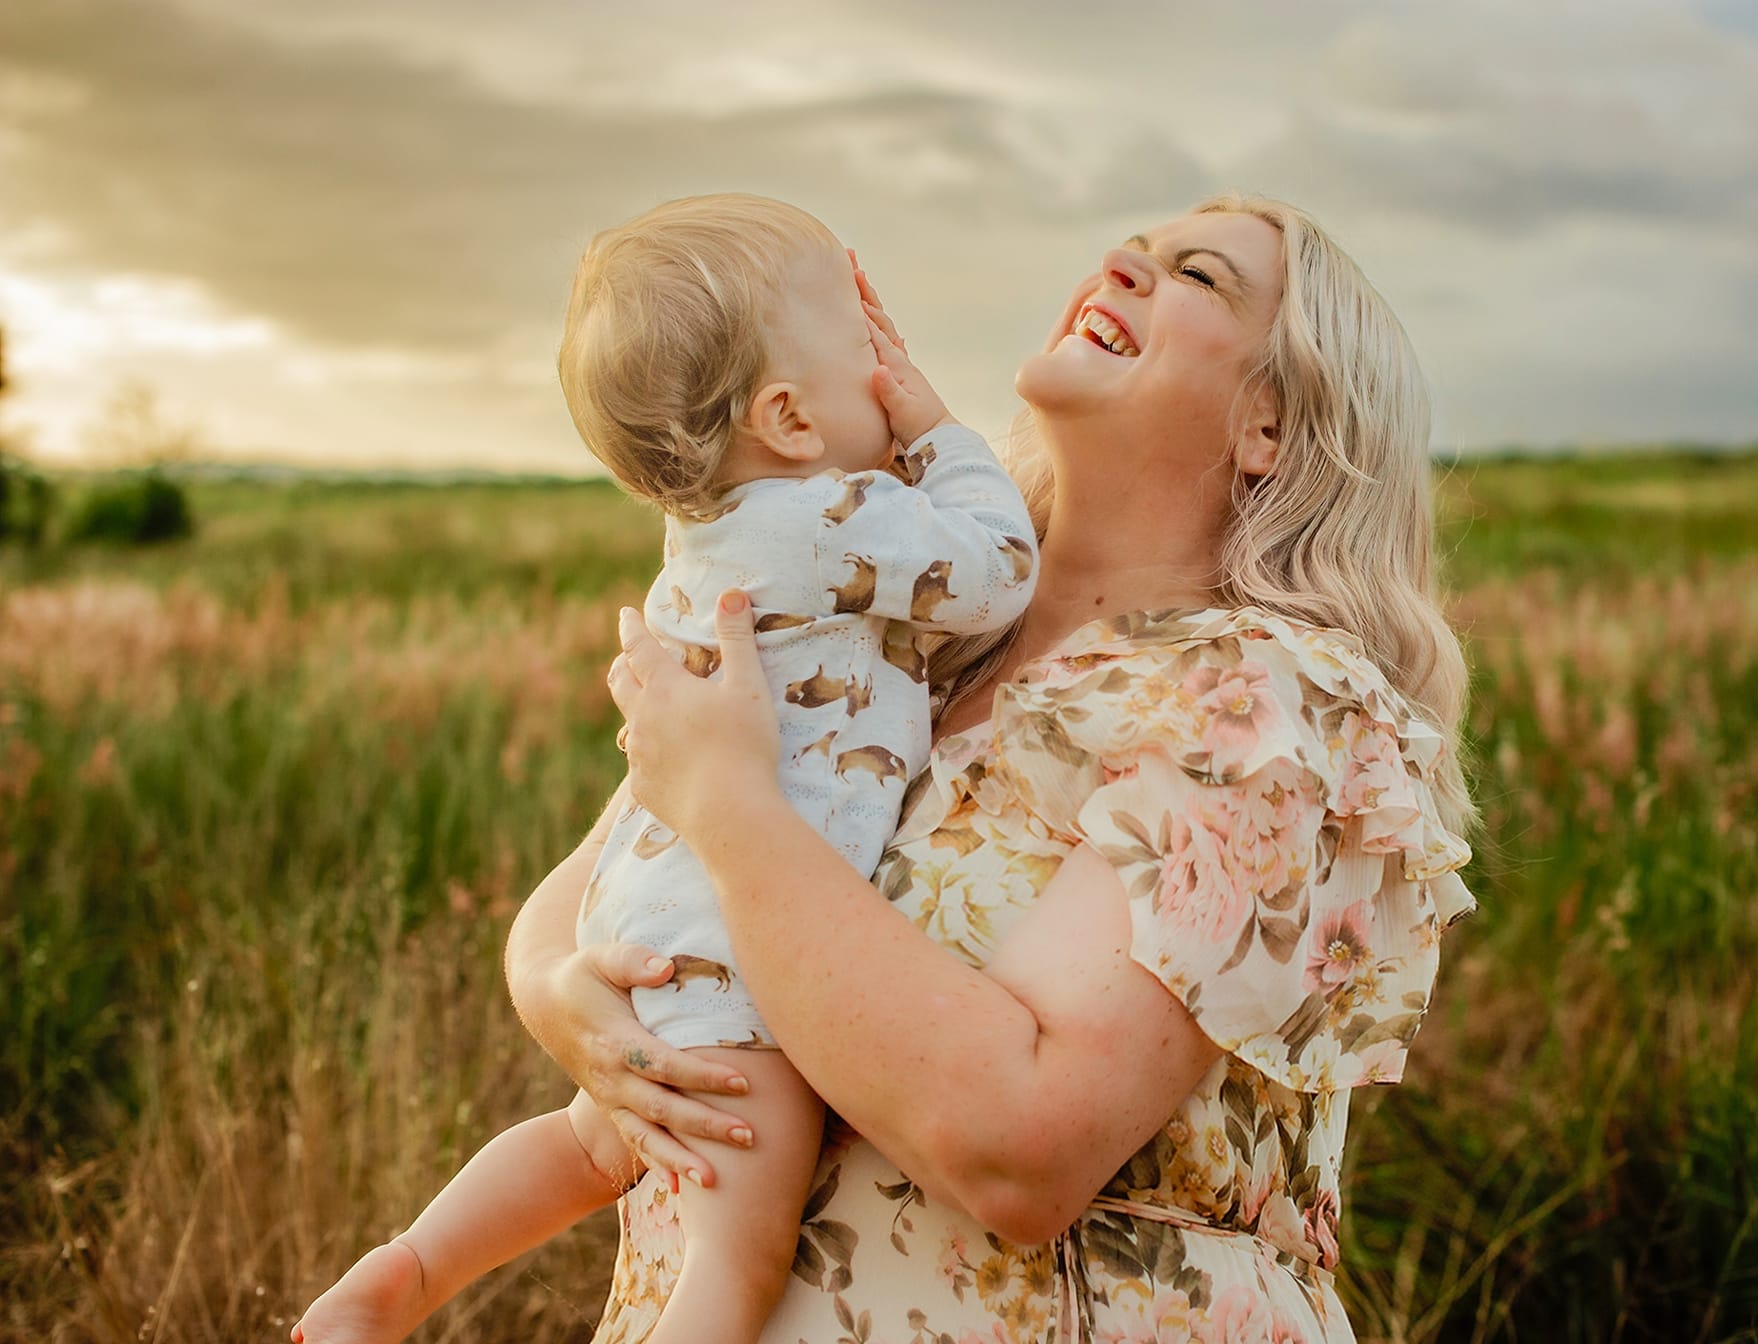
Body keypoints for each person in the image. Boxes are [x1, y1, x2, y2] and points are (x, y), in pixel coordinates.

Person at [509, 194, 1479, 1343]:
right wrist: (566, 1007)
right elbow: (596, 888)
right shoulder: (897, 634)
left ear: (1268, 424)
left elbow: (1020, 1145)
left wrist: (728, 810)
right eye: (1134, 245)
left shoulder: (1267, 703)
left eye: (1197, 275)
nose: (1123, 259)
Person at [292, 194, 1036, 1344]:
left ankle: (407, 1267)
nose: (888, 371)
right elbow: (996, 570)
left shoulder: (713, 534)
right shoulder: (833, 518)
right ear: (788, 416)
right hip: (739, 957)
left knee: (599, 1140)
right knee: (736, 1262)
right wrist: (936, 430)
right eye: (866, 353)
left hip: (648, 921)